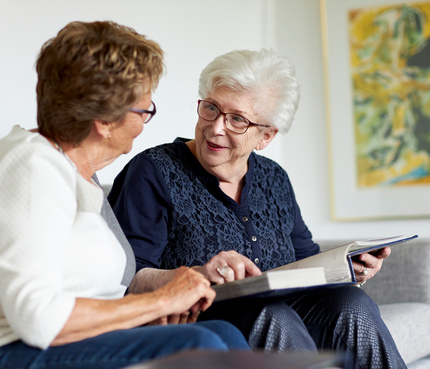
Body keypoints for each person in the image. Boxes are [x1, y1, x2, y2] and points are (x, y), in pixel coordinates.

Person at [108, 48, 407, 368]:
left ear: (266, 136)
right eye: (211, 108)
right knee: (272, 317)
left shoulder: (273, 177)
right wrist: (199, 275)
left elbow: (305, 258)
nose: (216, 127)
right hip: (202, 320)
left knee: (352, 304)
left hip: (284, 311)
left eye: (237, 119)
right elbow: (127, 275)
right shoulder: (153, 171)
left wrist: (349, 269)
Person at [0, 21, 251, 369]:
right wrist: (159, 302)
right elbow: (38, 319)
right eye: (144, 110)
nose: (143, 122)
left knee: (223, 333)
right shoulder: (32, 166)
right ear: (104, 120)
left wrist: (149, 313)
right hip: (17, 349)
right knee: (201, 343)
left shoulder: (77, 172)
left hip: (77, 339)